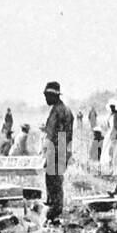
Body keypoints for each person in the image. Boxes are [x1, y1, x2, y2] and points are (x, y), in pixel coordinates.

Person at [41, 81, 75, 222]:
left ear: (53, 96)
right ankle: (53, 206)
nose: (45, 99)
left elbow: (60, 134)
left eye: (47, 96)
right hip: (60, 150)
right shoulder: (62, 109)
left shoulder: (59, 111)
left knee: (54, 181)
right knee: (53, 180)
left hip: (57, 151)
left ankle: (54, 210)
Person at [100, 100, 117, 176]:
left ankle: (116, 171)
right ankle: (108, 169)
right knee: (108, 151)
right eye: (111, 107)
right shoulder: (110, 115)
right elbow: (108, 125)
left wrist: (116, 134)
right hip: (110, 134)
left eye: (113, 106)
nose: (112, 108)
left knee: (116, 152)